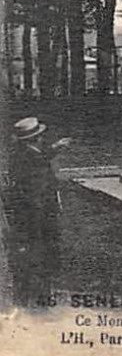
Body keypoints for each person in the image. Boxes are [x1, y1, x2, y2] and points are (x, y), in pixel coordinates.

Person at [8, 117, 71, 307]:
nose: (43, 139)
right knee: (42, 255)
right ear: (37, 138)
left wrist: (55, 148)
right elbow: (37, 194)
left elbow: (40, 157)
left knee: (34, 256)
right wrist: (42, 219)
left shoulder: (22, 155)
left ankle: (32, 293)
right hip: (39, 217)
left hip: (27, 217)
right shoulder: (32, 162)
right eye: (41, 136)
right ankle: (40, 297)